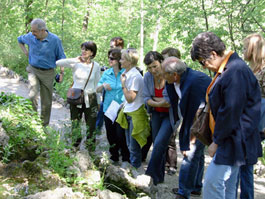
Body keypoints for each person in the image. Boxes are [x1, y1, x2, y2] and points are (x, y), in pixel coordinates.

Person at [190, 31, 262, 199]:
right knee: (228, 187)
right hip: (233, 139)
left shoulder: (235, 70)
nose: (203, 66)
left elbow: (230, 111)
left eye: (203, 61)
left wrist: (216, 141)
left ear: (213, 54)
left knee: (212, 183)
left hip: (234, 140)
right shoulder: (229, 68)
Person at [162, 57, 211, 199]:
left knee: (190, 153)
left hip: (205, 119)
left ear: (175, 75)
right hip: (194, 116)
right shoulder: (173, 82)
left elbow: (197, 113)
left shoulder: (194, 82)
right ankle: (195, 186)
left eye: (165, 74)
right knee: (197, 154)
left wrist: (191, 138)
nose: (162, 76)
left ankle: (183, 193)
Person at [17, 18, 66, 126]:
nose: (32, 33)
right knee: (32, 95)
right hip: (33, 70)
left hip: (48, 73)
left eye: (34, 31)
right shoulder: (30, 36)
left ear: (43, 30)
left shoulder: (55, 40)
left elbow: (61, 57)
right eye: (31, 30)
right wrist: (25, 52)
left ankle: (43, 125)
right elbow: (19, 40)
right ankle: (32, 122)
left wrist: (62, 73)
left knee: (46, 102)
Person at [235, 33, 265, 199]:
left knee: (245, 162)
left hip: (257, 122)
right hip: (244, 119)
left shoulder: (264, 70)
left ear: (253, 49)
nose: (243, 50)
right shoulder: (248, 69)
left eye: (246, 47)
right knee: (242, 163)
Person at [56, 41, 101, 147]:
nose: (84, 51)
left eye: (87, 49)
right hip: (76, 97)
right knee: (75, 123)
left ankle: (90, 148)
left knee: (91, 125)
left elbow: (96, 84)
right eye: (83, 49)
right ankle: (75, 145)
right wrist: (75, 59)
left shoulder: (96, 66)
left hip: (91, 98)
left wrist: (98, 101)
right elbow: (58, 63)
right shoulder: (75, 63)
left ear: (92, 53)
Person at [116, 48, 150, 173]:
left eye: (122, 59)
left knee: (134, 146)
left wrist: (123, 84)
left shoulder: (135, 76)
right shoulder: (126, 73)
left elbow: (130, 98)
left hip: (136, 112)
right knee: (129, 144)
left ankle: (136, 172)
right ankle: (133, 170)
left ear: (129, 61)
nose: (120, 61)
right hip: (128, 111)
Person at [143, 51, 172, 185]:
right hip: (155, 114)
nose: (153, 70)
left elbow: (169, 101)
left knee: (160, 142)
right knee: (157, 144)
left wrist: (155, 100)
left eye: (155, 66)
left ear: (161, 62)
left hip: (170, 115)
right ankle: (158, 178)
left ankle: (149, 175)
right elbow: (146, 97)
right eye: (149, 68)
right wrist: (158, 102)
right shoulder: (148, 77)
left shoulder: (170, 74)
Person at [96, 48, 130, 163]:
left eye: (112, 58)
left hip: (121, 108)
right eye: (109, 57)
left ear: (119, 60)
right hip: (108, 108)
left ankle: (126, 158)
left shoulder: (125, 73)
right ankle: (114, 156)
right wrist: (103, 85)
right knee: (110, 135)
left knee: (120, 135)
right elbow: (97, 89)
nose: (110, 60)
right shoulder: (107, 73)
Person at [161, 47, 181, 175]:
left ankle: (172, 165)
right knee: (165, 139)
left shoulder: (179, 76)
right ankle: (166, 163)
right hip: (166, 111)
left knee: (171, 139)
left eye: (164, 59)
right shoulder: (167, 75)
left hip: (176, 112)